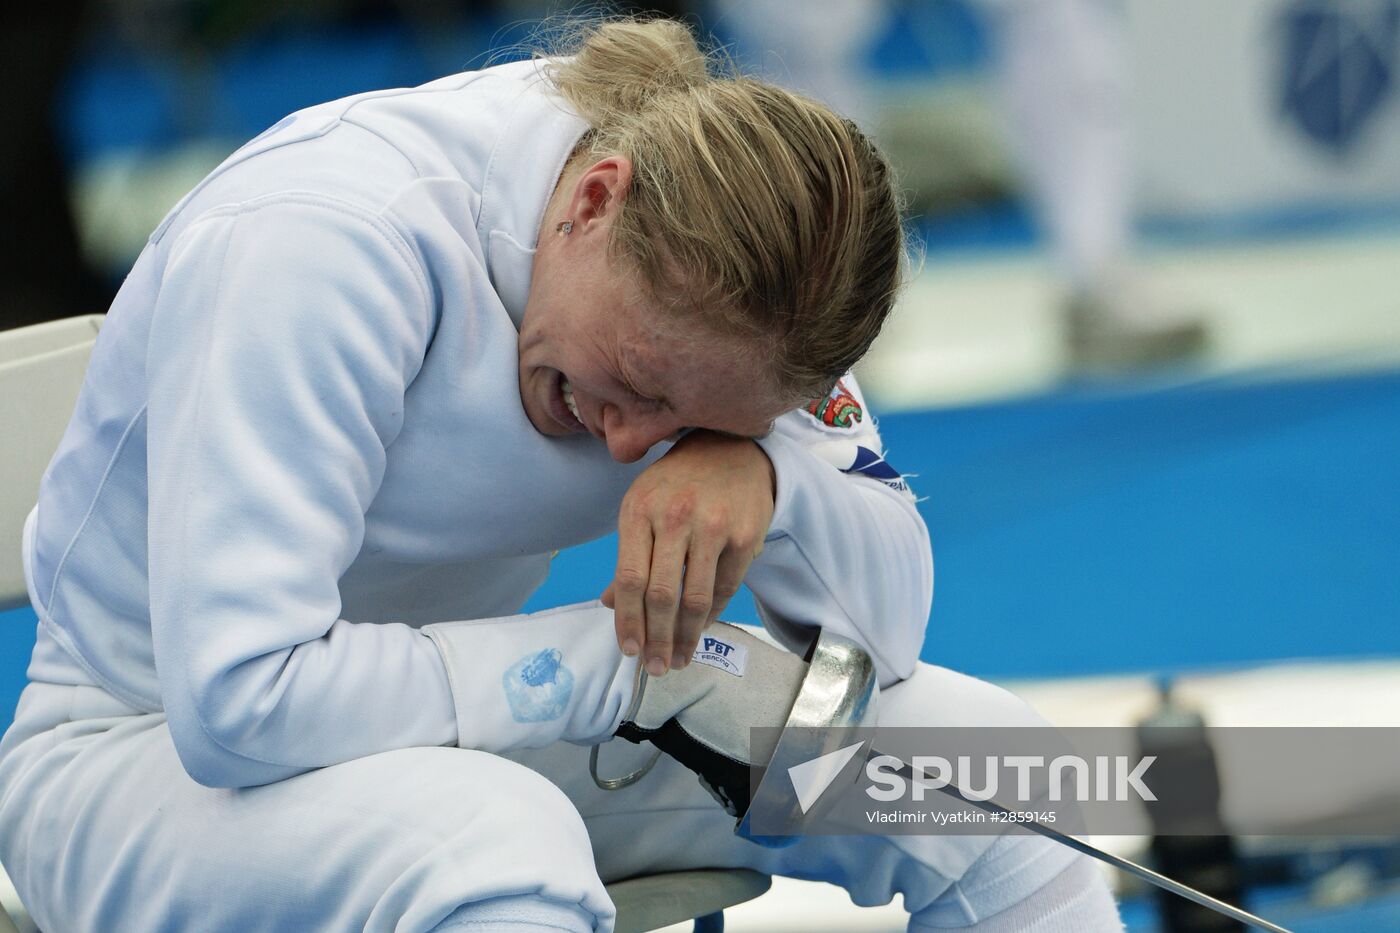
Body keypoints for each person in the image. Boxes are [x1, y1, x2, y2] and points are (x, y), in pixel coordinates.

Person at [0, 17, 1122, 932]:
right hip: (136, 766)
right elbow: (239, 707)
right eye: (636, 379)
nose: (631, 445)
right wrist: (608, 668)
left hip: (445, 736)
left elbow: (882, 632)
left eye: (689, 418)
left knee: (995, 781)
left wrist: (769, 479)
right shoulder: (320, 243)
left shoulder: (746, 249)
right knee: (493, 848)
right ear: (595, 203)